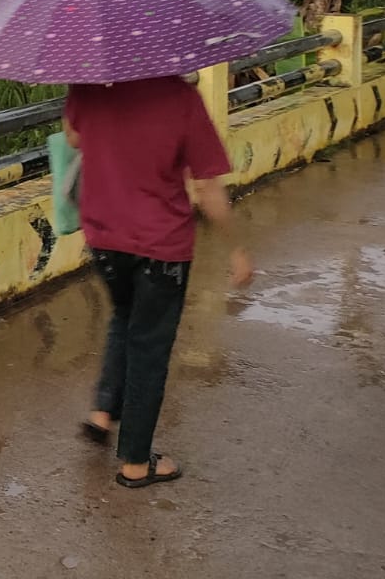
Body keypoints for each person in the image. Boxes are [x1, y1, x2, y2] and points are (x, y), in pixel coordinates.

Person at [63, 74, 254, 488]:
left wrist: (77, 86)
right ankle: (135, 462)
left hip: (104, 238)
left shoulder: (91, 85)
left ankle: (103, 410)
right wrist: (237, 247)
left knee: (125, 315)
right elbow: (207, 186)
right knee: (149, 345)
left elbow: (75, 138)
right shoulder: (182, 98)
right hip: (160, 246)